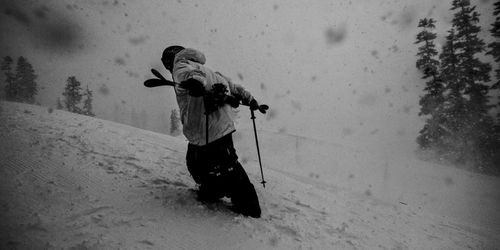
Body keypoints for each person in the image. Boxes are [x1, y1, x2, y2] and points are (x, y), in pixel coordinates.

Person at [161, 45, 264, 218]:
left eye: (167, 64)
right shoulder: (213, 73)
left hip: (207, 128)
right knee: (198, 162)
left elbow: (189, 75)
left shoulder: (181, 64)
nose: (169, 68)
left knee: (227, 167)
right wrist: (251, 100)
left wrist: (195, 81)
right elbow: (235, 88)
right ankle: (212, 190)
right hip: (218, 128)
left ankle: (249, 206)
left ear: (171, 59)